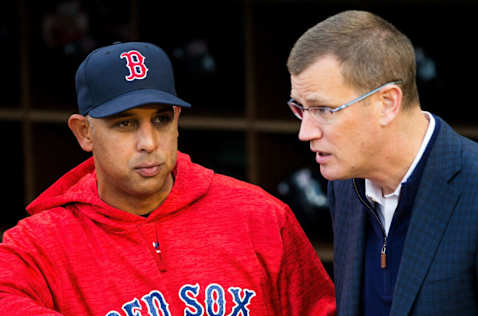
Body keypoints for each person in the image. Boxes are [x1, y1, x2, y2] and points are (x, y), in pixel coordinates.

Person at [0, 42, 336, 315]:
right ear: (84, 132)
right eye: (125, 123)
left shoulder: (259, 216)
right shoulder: (38, 245)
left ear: (176, 120)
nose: (149, 143)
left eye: (160, 119)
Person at [286, 10, 478, 316]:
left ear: (387, 103)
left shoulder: (474, 187)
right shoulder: (344, 186)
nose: (305, 132)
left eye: (323, 109)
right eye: (301, 109)